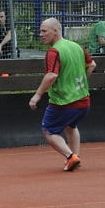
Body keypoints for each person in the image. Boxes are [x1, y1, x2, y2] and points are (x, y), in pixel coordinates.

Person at [29, 18, 96, 172]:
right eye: (40, 31)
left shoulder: (54, 52)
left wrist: (37, 95)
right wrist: (79, 81)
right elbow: (92, 65)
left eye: (44, 31)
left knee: (49, 130)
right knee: (70, 126)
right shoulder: (76, 47)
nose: (41, 34)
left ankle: (70, 156)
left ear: (55, 31)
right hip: (84, 101)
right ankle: (76, 157)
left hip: (64, 102)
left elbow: (51, 75)